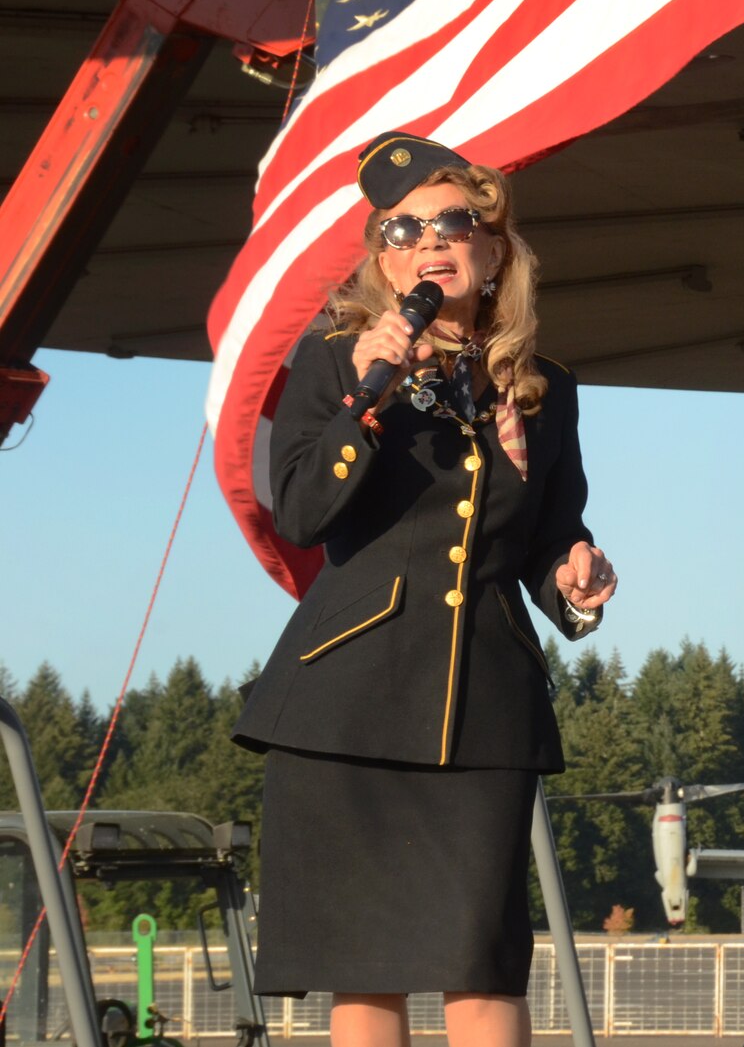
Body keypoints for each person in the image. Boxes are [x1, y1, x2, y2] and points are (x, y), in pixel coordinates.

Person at [234, 133, 617, 1047]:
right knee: (365, 978)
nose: (429, 240)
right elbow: (300, 509)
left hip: (483, 707)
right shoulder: (334, 362)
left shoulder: (542, 388)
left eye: (454, 220)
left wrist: (576, 572)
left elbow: (549, 531)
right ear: (381, 259)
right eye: (402, 228)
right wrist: (370, 394)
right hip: (345, 706)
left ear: (494, 250)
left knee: (481, 966)